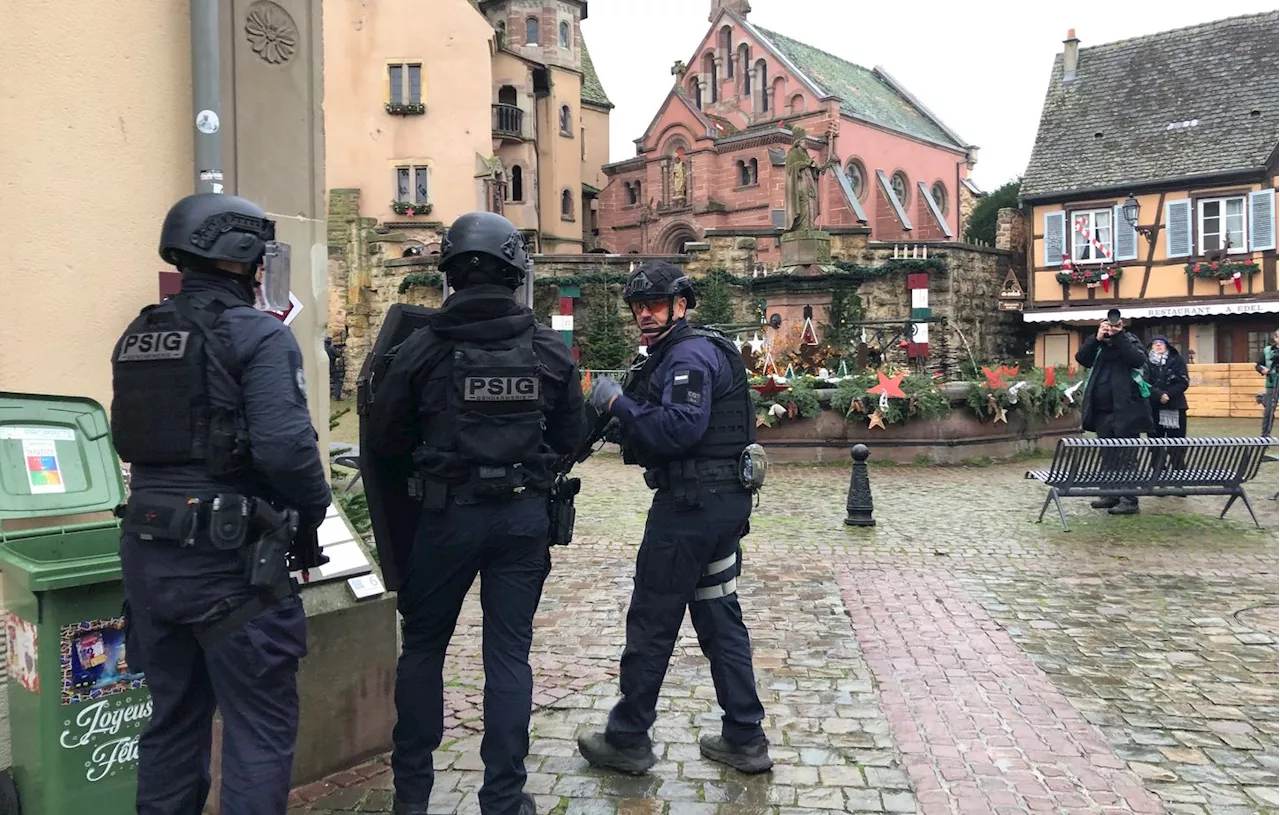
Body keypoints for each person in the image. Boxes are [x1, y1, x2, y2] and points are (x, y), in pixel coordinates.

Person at [111, 193, 332, 814]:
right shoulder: (257, 334)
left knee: (172, 723)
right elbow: (287, 450)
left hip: (149, 558)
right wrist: (311, 513)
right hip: (229, 566)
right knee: (258, 730)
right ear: (243, 257)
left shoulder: (138, 335)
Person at [365, 211, 585, 815]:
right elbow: (573, 436)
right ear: (517, 270)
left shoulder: (420, 349)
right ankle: (505, 800)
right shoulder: (547, 349)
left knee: (424, 651)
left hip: (445, 519)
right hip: (521, 522)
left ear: (451, 274)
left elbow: (381, 440)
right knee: (508, 655)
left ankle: (411, 799)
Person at [577, 261, 772, 776]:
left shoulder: (688, 355)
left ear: (681, 305)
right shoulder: (680, 351)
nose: (644, 314)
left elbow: (680, 428)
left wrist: (618, 402)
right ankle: (745, 736)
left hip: (690, 509)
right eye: (638, 306)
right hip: (720, 504)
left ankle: (627, 739)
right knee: (716, 613)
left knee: (653, 618)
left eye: (655, 304)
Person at [1075, 312, 1152, 515]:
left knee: (1127, 457)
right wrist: (1097, 338)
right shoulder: (1100, 345)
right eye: (1109, 325)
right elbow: (1082, 358)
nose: (1112, 328)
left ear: (1122, 325)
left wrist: (1119, 336)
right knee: (1108, 456)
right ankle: (1111, 493)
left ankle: (1129, 499)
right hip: (1103, 412)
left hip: (1127, 410)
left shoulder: (1130, 340)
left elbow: (1137, 360)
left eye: (1116, 325)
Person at [1144, 336, 1190, 469]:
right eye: (1155, 343)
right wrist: (1158, 395)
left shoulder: (1177, 360)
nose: (1158, 345)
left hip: (1174, 406)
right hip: (1154, 407)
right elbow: (1143, 383)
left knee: (1176, 443)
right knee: (1155, 442)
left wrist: (1168, 394)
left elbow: (1184, 382)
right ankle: (1158, 470)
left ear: (1167, 345)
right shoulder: (1146, 363)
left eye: (1161, 343)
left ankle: (1178, 470)